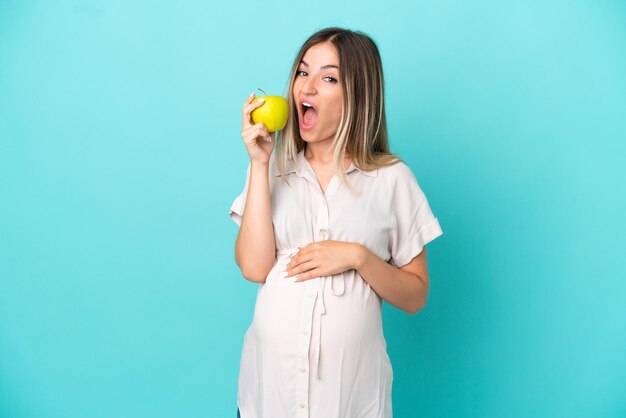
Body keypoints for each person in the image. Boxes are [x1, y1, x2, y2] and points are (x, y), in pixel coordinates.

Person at [229, 27, 443, 418]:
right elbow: (253, 266)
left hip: (351, 401)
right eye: (302, 73)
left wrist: (358, 257)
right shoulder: (272, 168)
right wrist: (259, 164)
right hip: (269, 395)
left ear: (357, 96)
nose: (306, 88)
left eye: (328, 78)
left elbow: (416, 296)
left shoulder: (392, 179)